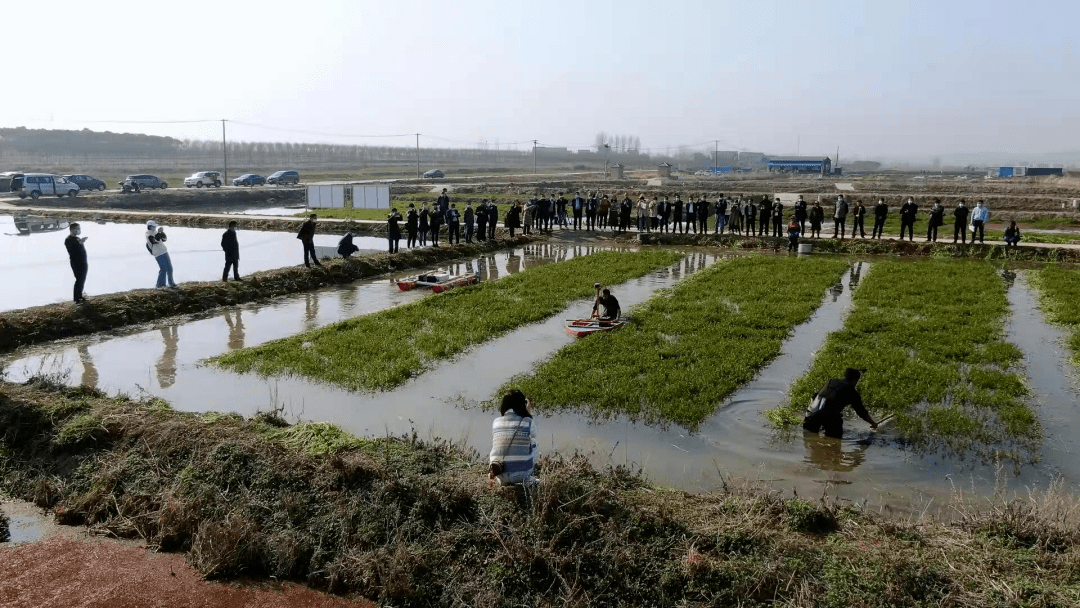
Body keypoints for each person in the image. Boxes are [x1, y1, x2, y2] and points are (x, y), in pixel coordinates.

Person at [802, 368, 879, 439]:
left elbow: (815, 396)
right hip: (830, 416)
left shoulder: (830, 382)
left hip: (810, 414)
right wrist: (873, 423)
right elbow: (861, 412)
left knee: (810, 439)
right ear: (855, 380)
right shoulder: (851, 392)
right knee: (834, 440)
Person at [488, 389, 538, 487]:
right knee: (534, 443)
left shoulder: (496, 421)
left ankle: (504, 479)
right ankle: (527, 478)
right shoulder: (527, 421)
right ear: (522, 404)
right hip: (522, 474)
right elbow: (535, 434)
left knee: (499, 443)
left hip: (499, 472)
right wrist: (528, 413)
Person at [146, 220, 177, 287]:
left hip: (164, 251)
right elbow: (155, 241)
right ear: (150, 227)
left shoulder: (155, 232)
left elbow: (164, 239)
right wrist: (159, 233)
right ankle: (160, 285)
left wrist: (162, 233)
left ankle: (171, 283)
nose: (155, 228)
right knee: (163, 269)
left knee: (169, 268)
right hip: (158, 254)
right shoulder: (148, 234)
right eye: (154, 226)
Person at [65, 222, 88, 304]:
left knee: (82, 280)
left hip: (83, 262)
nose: (79, 230)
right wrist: (80, 243)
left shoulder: (77, 239)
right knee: (79, 280)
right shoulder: (68, 240)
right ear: (73, 230)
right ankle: (76, 299)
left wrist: (81, 242)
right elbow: (73, 251)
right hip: (76, 263)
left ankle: (80, 296)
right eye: (78, 229)